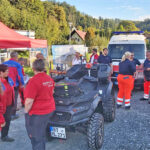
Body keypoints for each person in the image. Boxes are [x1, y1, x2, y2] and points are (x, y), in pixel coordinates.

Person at [24, 59, 55, 150]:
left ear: (33, 68)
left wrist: (26, 112)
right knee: (41, 133)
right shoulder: (49, 78)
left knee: (36, 138)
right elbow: (52, 92)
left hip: (38, 114)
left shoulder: (33, 81)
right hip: (50, 110)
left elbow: (29, 101)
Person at [3, 52, 24, 120]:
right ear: (16, 57)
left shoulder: (3, 64)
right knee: (14, 99)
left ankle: (4, 113)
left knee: (4, 98)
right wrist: (22, 84)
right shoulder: (17, 64)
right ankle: (12, 114)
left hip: (4, 84)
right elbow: (20, 76)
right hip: (14, 85)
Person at [0, 64, 15, 142]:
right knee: (3, 121)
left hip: (8, 105)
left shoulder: (8, 79)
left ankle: (4, 136)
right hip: (2, 107)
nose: (8, 72)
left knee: (7, 121)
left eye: (8, 71)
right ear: (0, 72)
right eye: (6, 71)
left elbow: (12, 86)